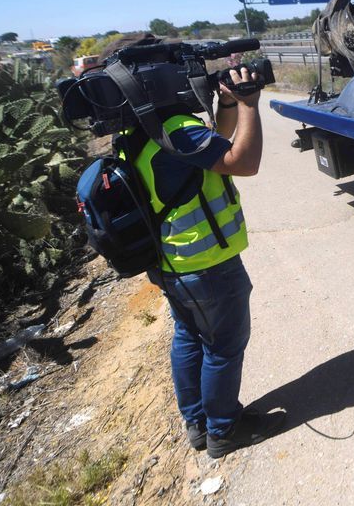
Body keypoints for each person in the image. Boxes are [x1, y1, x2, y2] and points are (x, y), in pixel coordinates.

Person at [103, 34, 283, 459]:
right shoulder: (176, 130)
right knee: (222, 346)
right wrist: (249, 105)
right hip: (207, 265)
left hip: (172, 262)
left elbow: (209, 150)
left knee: (188, 336)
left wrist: (225, 107)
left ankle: (198, 423)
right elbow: (243, 162)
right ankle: (224, 429)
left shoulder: (142, 130)